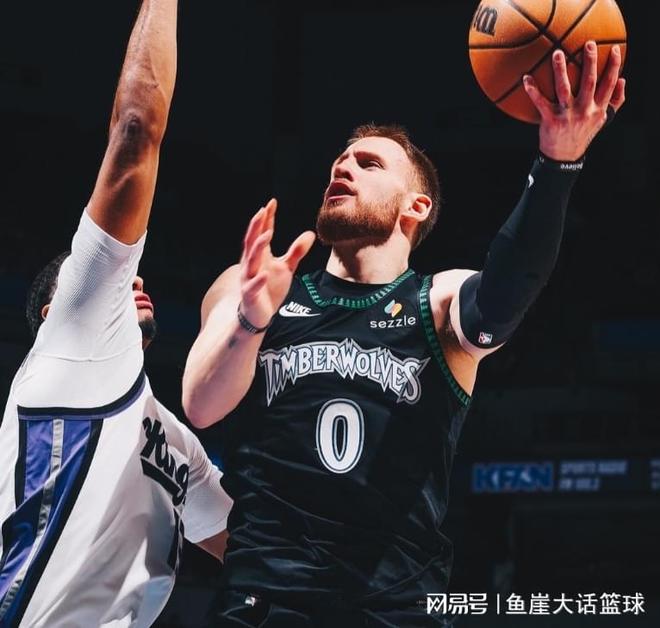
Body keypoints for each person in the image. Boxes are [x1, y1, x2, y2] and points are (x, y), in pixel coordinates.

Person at [182, 40, 625, 626]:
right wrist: (251, 320)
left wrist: (557, 164)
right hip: (262, 600)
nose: (343, 168)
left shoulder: (435, 301)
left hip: (394, 608)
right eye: (340, 162)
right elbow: (201, 406)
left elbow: (505, 294)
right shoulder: (251, 285)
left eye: (369, 164)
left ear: (414, 207)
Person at [0, 1, 232, 626]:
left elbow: (250, 550)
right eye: (119, 283)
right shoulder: (72, 341)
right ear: (58, 311)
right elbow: (135, 130)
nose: (138, 282)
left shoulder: (175, 442)